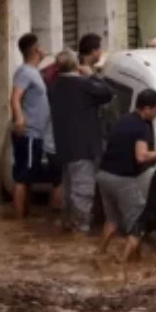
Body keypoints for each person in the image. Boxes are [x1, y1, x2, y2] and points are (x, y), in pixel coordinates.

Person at [96, 89, 156, 253]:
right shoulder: (141, 127)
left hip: (104, 175)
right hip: (122, 179)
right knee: (138, 222)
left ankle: (100, 253)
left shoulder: (122, 120)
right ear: (146, 108)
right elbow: (141, 156)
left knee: (112, 220)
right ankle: (129, 262)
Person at [48, 49, 113, 233]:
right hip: (84, 149)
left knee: (69, 191)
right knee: (82, 192)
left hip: (64, 148)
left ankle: (69, 227)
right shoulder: (82, 85)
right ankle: (80, 232)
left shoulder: (55, 86)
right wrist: (93, 75)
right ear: (77, 65)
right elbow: (108, 93)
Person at [10, 33, 58, 219]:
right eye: (41, 46)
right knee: (23, 176)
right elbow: (15, 97)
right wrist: (20, 118)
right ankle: (19, 222)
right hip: (29, 133)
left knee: (28, 176)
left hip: (36, 134)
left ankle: (24, 216)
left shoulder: (33, 71)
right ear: (36, 49)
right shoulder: (24, 72)